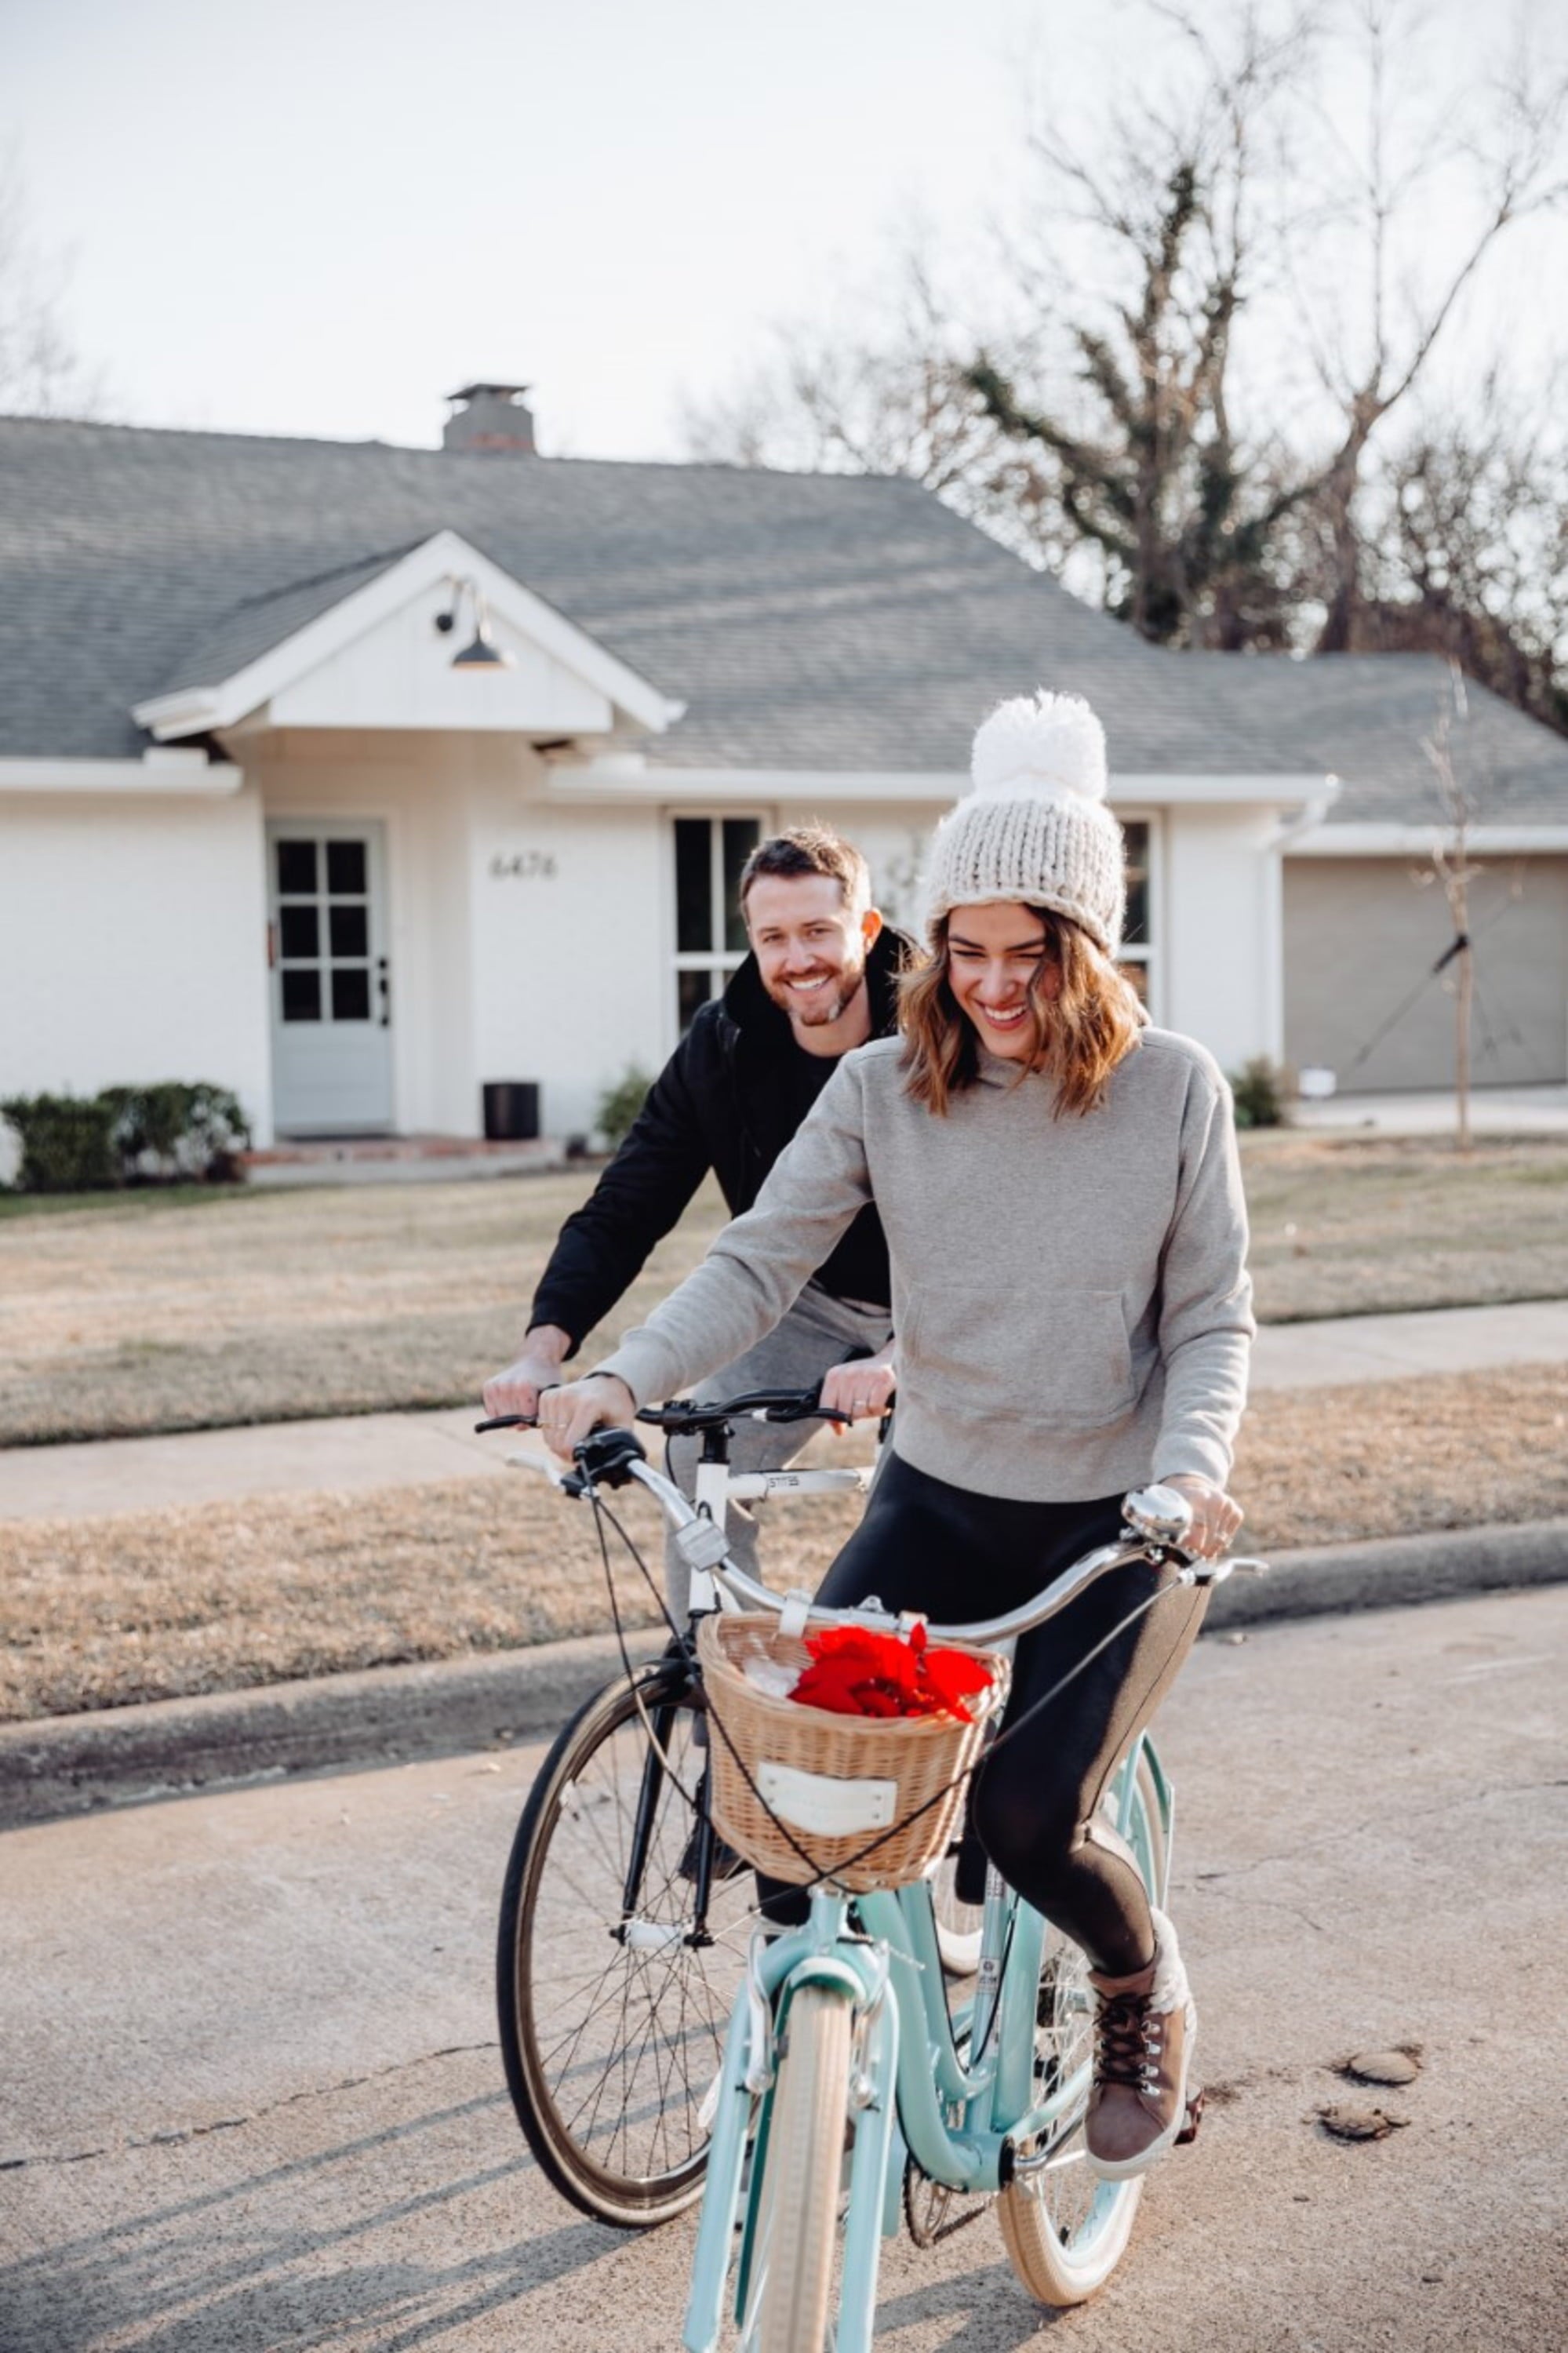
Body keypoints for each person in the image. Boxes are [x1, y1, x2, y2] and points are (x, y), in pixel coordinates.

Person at [533, 689, 1253, 2182]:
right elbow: (758, 1260)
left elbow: (1209, 1325)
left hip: (1113, 1525)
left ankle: (1136, 1985)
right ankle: (842, 2055)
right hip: (936, 1494)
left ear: (1086, 942)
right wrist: (619, 1373)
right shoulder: (879, 1085)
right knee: (812, 1785)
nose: (991, 986)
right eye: (965, 948)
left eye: (1028, 950)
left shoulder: (1171, 1092)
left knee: (1023, 1816)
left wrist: (1188, 1478)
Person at [482, 827, 910, 1604]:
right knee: (698, 1458)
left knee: (918, 1504)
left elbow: (992, 1233)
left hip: (942, 1304)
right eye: (773, 937)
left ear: (867, 930)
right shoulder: (723, 1044)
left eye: (818, 931)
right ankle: (721, 1680)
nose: (798, 959)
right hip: (802, 1298)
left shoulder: (933, 1033)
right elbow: (626, 1205)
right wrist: (542, 1352)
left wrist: (899, 1355)